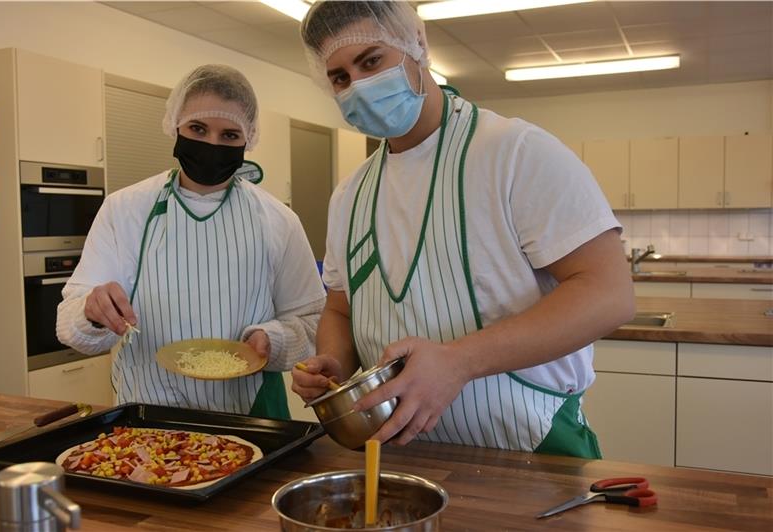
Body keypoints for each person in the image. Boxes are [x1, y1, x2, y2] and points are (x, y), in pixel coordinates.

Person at [291, 1, 635, 457]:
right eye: (340, 77)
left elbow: (609, 294)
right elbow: (340, 310)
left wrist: (458, 362)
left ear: (417, 45)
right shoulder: (350, 195)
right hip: (401, 455)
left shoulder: (516, 153)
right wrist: (335, 363)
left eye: (371, 61)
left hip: (528, 448)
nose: (359, 86)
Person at [57, 64, 326, 418]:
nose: (211, 144)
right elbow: (71, 320)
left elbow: (311, 322)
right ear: (175, 125)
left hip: (252, 414)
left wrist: (271, 341)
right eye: (198, 129)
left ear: (249, 139)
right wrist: (92, 312)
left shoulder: (278, 221)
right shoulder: (126, 210)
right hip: (147, 414)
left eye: (229, 135)